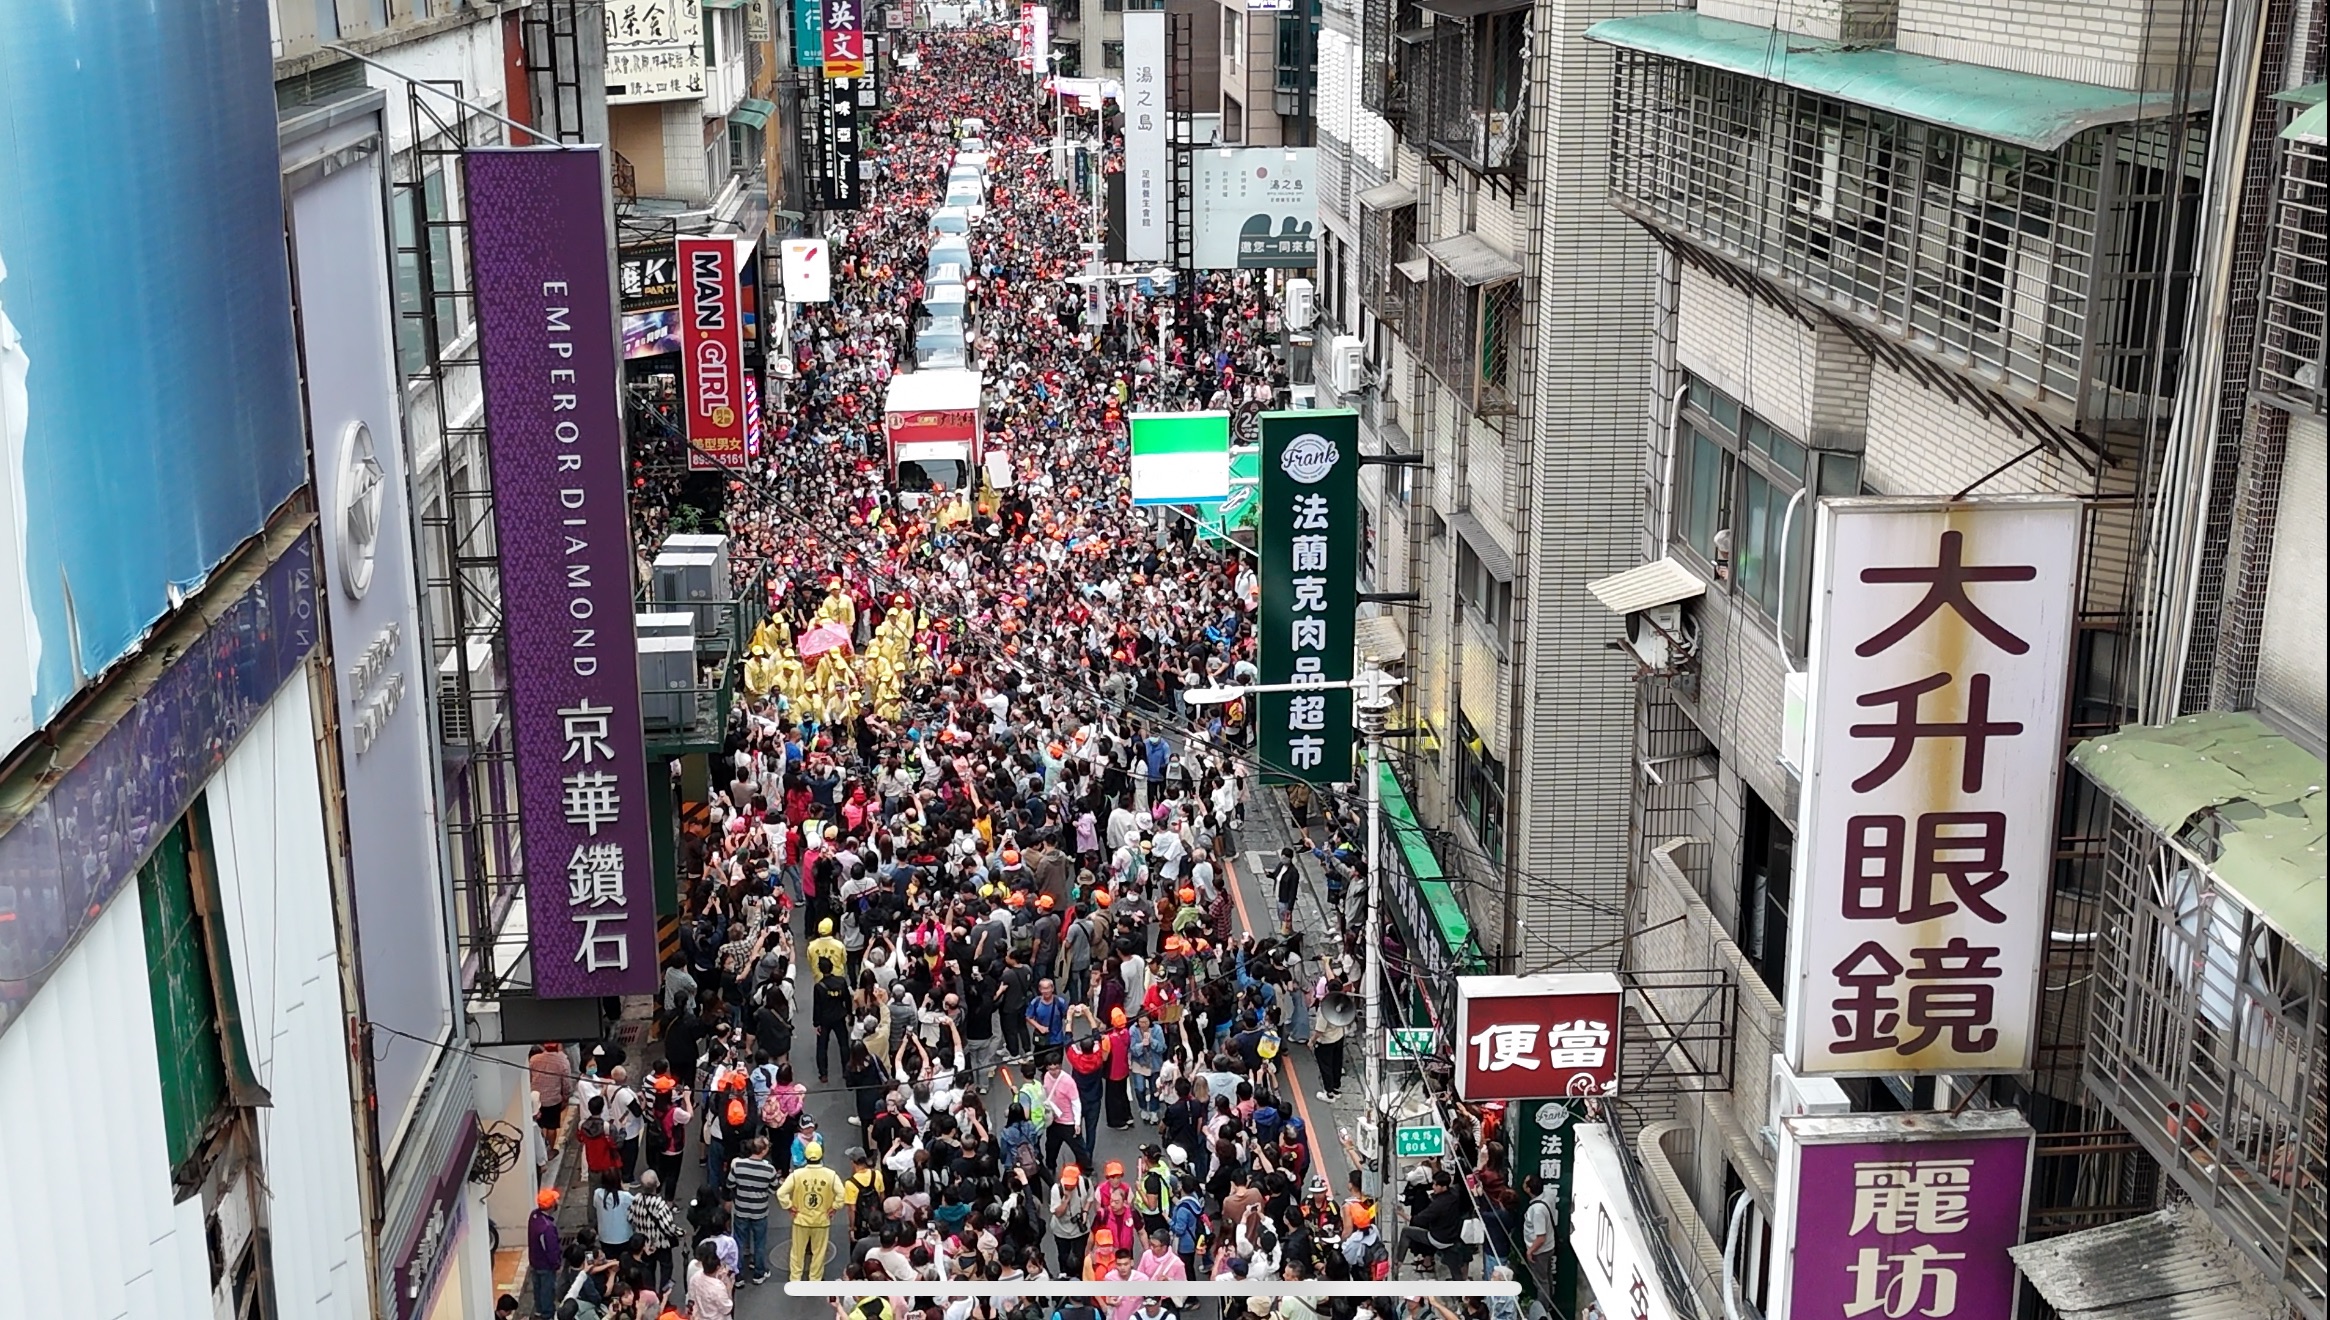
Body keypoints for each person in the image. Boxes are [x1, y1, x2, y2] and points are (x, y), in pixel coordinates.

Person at [776, 1139, 847, 1282]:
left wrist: (789, 1206)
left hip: (801, 1219)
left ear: (806, 1156)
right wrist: (834, 1207)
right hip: (822, 1220)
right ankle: (815, 1279)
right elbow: (841, 1194)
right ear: (821, 1155)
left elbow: (781, 1193)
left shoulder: (797, 1175)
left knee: (797, 1252)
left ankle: (795, 1279)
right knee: (819, 1253)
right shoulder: (831, 1175)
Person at [729, 1135, 780, 1285]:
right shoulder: (769, 1169)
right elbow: (773, 1189)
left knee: (739, 1242)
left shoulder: (738, 1165)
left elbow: (730, 1184)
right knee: (759, 1242)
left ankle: (738, 1275)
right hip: (760, 1211)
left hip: (741, 1209)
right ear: (763, 1151)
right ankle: (759, 1273)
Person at [531, 1043, 576, 1160]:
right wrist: (566, 1097)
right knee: (551, 1126)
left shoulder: (534, 1059)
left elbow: (530, 1077)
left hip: (537, 1099)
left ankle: (541, 1149)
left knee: (540, 1125)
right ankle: (550, 1150)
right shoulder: (562, 1062)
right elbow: (566, 1083)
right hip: (553, 1100)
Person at [528, 1189, 563, 1318]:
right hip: (545, 1265)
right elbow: (551, 1249)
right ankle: (547, 1315)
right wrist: (556, 1264)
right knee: (547, 1291)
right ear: (551, 1205)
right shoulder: (547, 1227)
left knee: (538, 1289)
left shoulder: (534, 1216)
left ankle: (539, 1311)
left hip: (535, 1261)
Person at [685, 1239, 735, 1320]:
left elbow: (692, 1298)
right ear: (718, 1267)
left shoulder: (695, 1277)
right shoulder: (718, 1287)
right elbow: (727, 1309)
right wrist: (729, 1288)